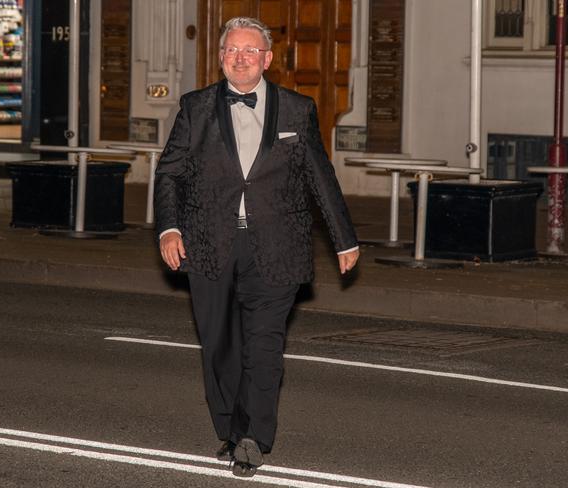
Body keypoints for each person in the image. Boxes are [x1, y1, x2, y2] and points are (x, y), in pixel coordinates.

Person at [154, 16, 359, 478]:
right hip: (209, 243)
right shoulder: (196, 107)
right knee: (220, 345)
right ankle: (230, 426)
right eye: (231, 50)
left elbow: (319, 177)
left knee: (264, 346)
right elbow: (170, 172)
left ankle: (254, 438)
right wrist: (169, 229)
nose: (240, 58)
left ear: (267, 59)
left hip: (277, 245)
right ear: (221, 57)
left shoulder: (296, 109)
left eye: (250, 51)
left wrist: (344, 238)